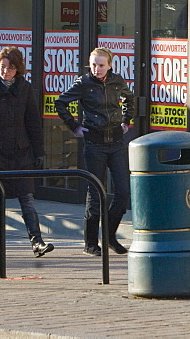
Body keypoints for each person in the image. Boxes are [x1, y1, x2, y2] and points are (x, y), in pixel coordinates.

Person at [0, 47, 53, 258]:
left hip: (20, 153)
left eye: (10, 68)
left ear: (18, 70)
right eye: (2, 66)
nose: (5, 71)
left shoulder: (25, 89)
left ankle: (37, 241)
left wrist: (39, 151)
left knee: (27, 198)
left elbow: (33, 122)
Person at [56, 47, 136, 255]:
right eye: (93, 65)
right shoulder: (84, 83)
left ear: (109, 65)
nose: (97, 69)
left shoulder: (117, 81)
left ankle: (110, 236)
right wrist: (74, 127)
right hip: (94, 142)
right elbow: (61, 102)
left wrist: (126, 121)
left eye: (101, 65)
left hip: (116, 142)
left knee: (123, 192)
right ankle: (90, 243)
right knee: (96, 191)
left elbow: (130, 98)